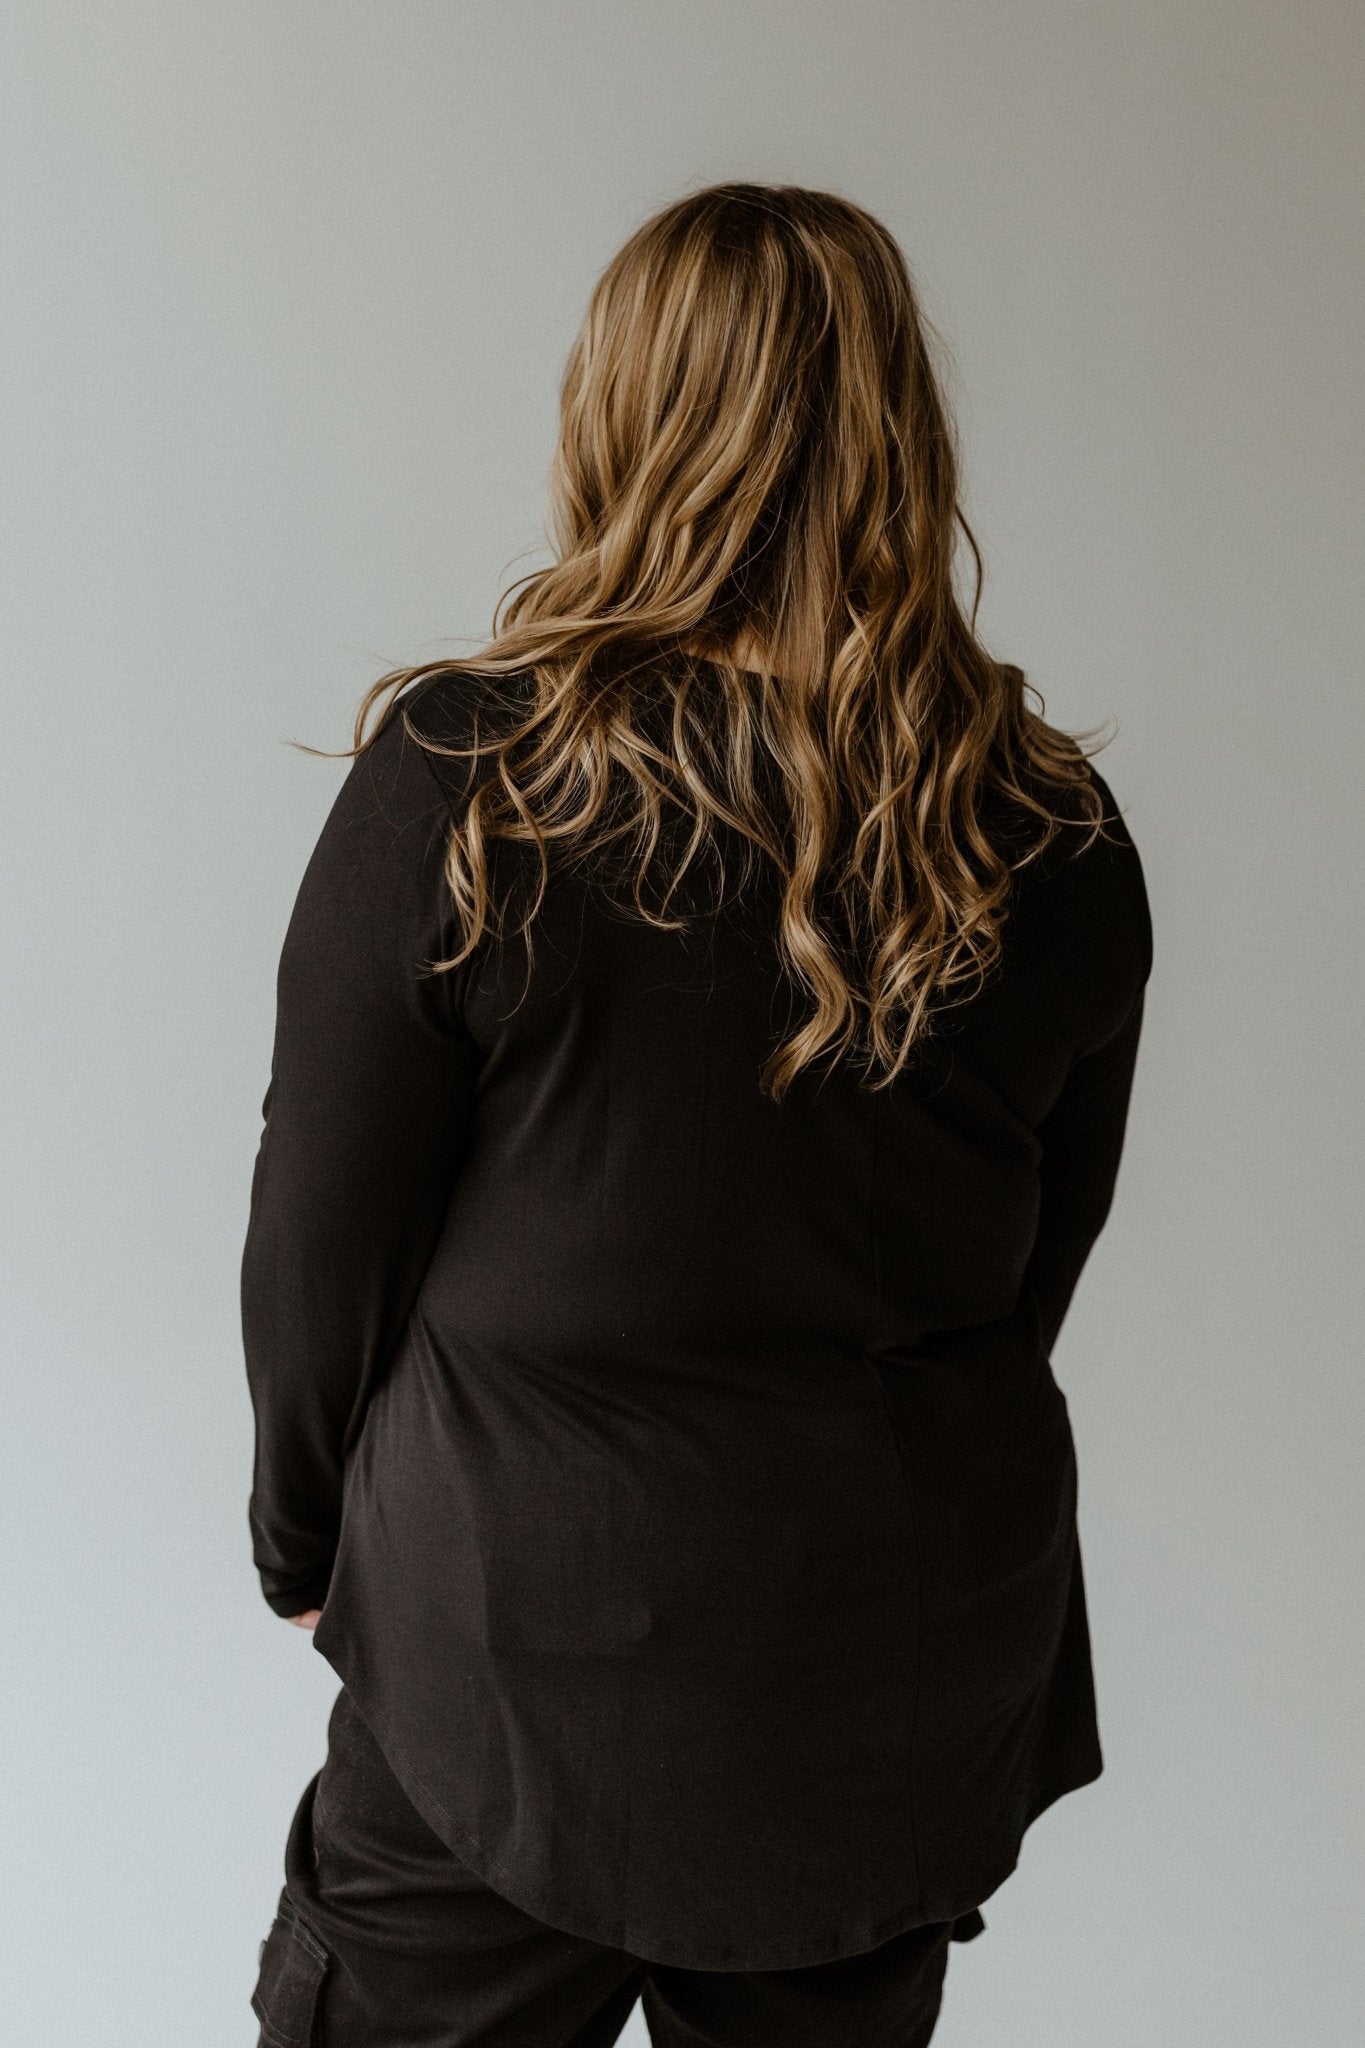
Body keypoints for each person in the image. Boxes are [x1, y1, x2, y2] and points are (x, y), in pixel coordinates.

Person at [241, 181, 1152, 2048]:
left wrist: (302, 1543)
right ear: (898, 428)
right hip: (879, 1668)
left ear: (622, 414)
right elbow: (1030, 1273)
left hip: (507, 1652)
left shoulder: (478, 779)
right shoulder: (1048, 828)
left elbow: (322, 1242)